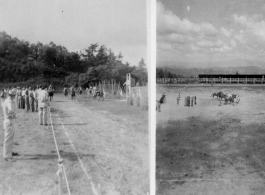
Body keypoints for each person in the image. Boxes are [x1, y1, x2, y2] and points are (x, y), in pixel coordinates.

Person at [2, 89, 17, 161]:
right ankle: (7, 156)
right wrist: (13, 114)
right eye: (14, 95)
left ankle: (9, 152)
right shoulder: (9, 101)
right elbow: (10, 110)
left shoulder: (8, 100)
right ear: (12, 95)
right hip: (9, 121)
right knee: (8, 139)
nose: (15, 97)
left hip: (8, 121)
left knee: (9, 138)